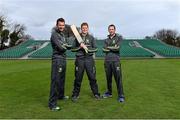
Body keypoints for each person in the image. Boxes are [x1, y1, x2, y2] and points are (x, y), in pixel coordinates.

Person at [71, 22, 101, 102]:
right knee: (78, 78)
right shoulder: (77, 37)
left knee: (92, 78)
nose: (84, 29)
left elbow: (96, 49)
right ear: (81, 29)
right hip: (80, 59)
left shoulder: (91, 38)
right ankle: (75, 95)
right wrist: (79, 47)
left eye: (86, 28)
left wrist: (87, 49)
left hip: (89, 60)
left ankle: (96, 93)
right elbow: (72, 49)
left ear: (88, 29)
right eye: (83, 28)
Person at [48, 18, 71, 111]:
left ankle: (60, 96)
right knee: (56, 81)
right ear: (57, 25)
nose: (61, 26)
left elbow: (66, 46)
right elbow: (61, 48)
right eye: (60, 25)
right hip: (57, 59)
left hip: (63, 59)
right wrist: (65, 46)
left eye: (63, 25)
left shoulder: (63, 35)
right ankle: (52, 104)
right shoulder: (54, 35)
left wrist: (67, 45)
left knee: (62, 79)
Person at [102, 24, 125, 102]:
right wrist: (113, 47)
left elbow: (117, 48)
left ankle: (121, 95)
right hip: (107, 61)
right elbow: (103, 50)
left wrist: (108, 47)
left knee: (118, 79)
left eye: (112, 29)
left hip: (116, 61)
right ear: (108, 30)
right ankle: (109, 92)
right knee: (108, 79)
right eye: (110, 29)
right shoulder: (106, 40)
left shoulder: (119, 38)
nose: (111, 30)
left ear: (115, 30)